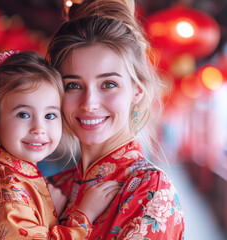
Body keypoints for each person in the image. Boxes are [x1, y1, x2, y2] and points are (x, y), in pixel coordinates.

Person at [46, 0, 185, 239]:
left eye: (108, 84)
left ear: (137, 90)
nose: (89, 102)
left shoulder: (149, 190)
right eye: (73, 85)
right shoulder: (52, 186)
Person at [0, 50, 121, 239]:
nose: (39, 128)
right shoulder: (5, 188)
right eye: (23, 114)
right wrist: (84, 215)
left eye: (50, 115)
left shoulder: (14, 176)